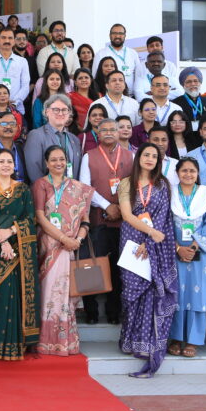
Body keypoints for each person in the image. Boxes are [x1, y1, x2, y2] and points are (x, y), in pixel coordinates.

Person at [117, 142, 177, 377]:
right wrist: (149, 233)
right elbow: (126, 214)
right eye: (146, 155)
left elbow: (162, 218)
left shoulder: (162, 185)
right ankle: (130, 341)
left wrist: (150, 241)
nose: (150, 159)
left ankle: (147, 343)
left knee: (151, 292)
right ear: (138, 157)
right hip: (131, 243)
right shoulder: (126, 183)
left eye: (154, 156)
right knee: (132, 292)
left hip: (153, 245)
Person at [0, 149, 39, 360]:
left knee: (13, 292)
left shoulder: (23, 189)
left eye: (9, 161)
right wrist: (2, 241)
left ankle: (14, 344)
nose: (5, 165)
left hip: (17, 246)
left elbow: (30, 219)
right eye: (1, 161)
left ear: (14, 165)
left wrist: (11, 232)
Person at [32, 145, 94, 356]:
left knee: (67, 292)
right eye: (54, 160)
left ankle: (65, 342)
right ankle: (46, 341)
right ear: (46, 163)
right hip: (49, 245)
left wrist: (77, 239)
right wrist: (63, 238)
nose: (58, 163)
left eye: (62, 159)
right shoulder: (41, 184)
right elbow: (40, 217)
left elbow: (85, 220)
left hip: (71, 248)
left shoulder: (77, 188)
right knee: (50, 291)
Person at [79, 119, 134, 324]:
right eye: (104, 130)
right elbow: (85, 188)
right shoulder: (88, 156)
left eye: (113, 129)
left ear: (119, 132)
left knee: (118, 267)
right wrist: (107, 206)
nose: (109, 133)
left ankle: (114, 313)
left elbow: (135, 185)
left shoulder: (130, 156)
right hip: (97, 220)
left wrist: (120, 207)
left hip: (123, 221)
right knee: (91, 265)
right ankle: (91, 312)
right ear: (98, 133)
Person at [165, 157, 206, 358]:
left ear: (198, 174)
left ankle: (193, 340)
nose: (188, 174)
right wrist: (178, 248)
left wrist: (194, 247)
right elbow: (164, 223)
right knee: (177, 294)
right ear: (177, 173)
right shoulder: (169, 193)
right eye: (184, 170)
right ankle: (176, 338)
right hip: (175, 252)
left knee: (198, 295)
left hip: (200, 253)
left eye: (192, 171)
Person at [24, 94, 82, 182]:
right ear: (46, 112)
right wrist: (47, 189)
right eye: (56, 110)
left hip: (72, 189)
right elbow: (34, 171)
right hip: (46, 189)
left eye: (64, 110)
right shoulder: (36, 135)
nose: (60, 113)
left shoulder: (74, 139)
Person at [0, 28, 30, 113]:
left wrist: (14, 102)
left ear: (14, 41)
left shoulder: (22, 61)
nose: (7, 41)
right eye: (3, 37)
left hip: (16, 108)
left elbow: (25, 86)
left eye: (10, 38)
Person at [94, 23, 139, 93]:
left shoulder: (133, 53)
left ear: (125, 36)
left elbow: (138, 76)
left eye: (120, 33)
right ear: (110, 35)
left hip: (130, 95)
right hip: (107, 95)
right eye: (114, 33)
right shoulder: (100, 54)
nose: (117, 36)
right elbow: (95, 76)